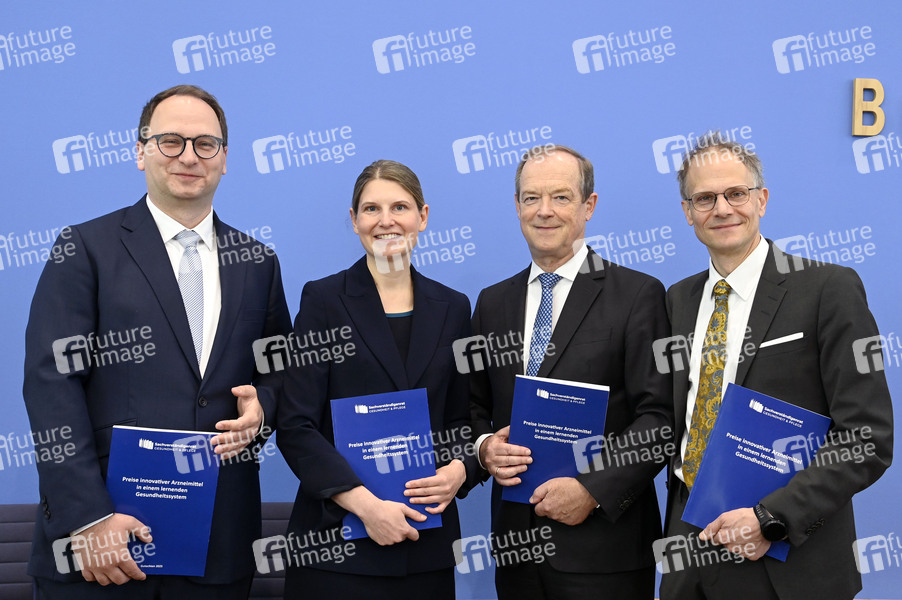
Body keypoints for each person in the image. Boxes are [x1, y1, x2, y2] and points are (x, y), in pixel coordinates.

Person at [23, 85, 292, 599]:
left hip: (217, 549)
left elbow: (279, 368)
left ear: (225, 159)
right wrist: (88, 520)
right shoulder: (85, 248)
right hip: (103, 547)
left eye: (206, 144)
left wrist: (264, 407)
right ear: (140, 151)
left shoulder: (258, 262)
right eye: (171, 141)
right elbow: (50, 386)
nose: (189, 157)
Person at [659, 133, 893, 600]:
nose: (722, 209)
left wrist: (771, 519)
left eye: (736, 193)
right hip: (690, 555)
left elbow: (866, 437)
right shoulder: (677, 300)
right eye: (705, 198)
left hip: (790, 562)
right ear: (687, 212)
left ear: (761, 199)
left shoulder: (828, 289)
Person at [469, 145, 673, 600]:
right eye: (531, 198)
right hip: (516, 549)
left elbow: (659, 419)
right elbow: (474, 405)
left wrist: (592, 490)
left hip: (606, 553)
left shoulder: (637, 294)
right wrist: (485, 448)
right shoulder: (492, 303)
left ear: (589, 205)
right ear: (517, 206)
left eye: (561, 197)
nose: (544, 211)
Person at [276, 159, 478, 600]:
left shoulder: (454, 308)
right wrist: (367, 507)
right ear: (354, 221)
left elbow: (464, 418)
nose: (386, 221)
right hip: (335, 548)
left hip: (425, 543)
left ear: (423, 216)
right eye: (371, 209)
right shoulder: (323, 300)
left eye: (400, 207)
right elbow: (295, 425)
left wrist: (460, 469)